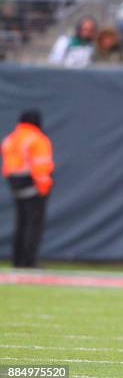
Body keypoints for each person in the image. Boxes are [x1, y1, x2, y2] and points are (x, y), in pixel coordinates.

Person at [1, 110, 54, 268]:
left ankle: (18, 261)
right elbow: (41, 166)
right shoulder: (37, 139)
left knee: (21, 224)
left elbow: (8, 166)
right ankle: (29, 262)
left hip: (15, 187)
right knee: (33, 225)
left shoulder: (10, 139)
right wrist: (43, 187)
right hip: (34, 187)